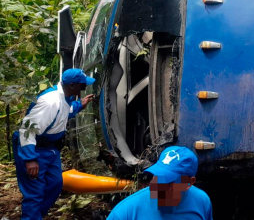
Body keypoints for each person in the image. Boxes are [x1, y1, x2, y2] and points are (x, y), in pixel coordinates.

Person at [12, 68, 95, 220]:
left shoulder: (65, 98)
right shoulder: (50, 102)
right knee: (34, 192)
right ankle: (31, 217)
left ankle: (37, 215)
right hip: (33, 148)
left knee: (55, 184)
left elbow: (66, 112)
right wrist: (30, 159)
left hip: (50, 149)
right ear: (72, 85)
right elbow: (27, 128)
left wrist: (80, 105)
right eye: (83, 86)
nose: (84, 88)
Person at [107, 146, 213, 220]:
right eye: (157, 177)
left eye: (169, 181)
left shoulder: (201, 201)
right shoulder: (125, 213)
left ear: (189, 183)